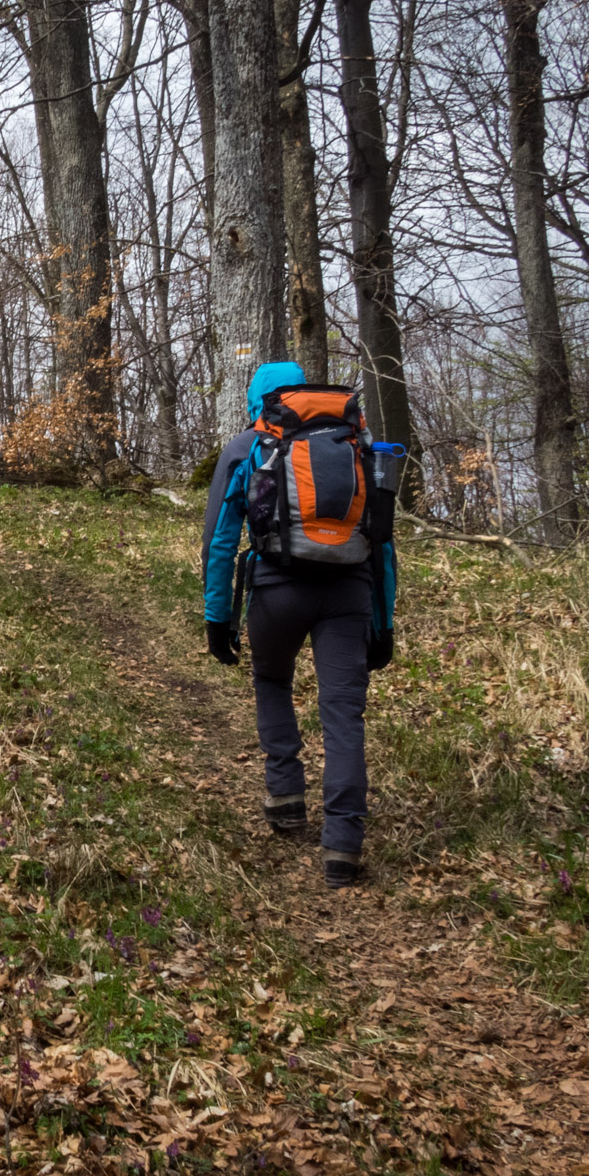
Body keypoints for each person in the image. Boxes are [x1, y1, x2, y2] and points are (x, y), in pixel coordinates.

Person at [201, 361, 398, 889]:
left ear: (258, 399)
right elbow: (382, 542)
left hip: (277, 589)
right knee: (343, 714)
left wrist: (217, 616)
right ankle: (343, 847)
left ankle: (286, 798)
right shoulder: (356, 440)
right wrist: (384, 623)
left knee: (272, 680)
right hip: (350, 591)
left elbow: (221, 538)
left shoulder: (250, 445)